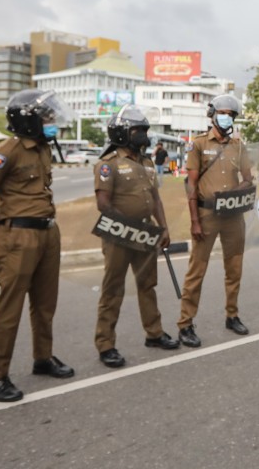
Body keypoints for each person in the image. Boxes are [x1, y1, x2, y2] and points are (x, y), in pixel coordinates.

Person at [0, 89, 75, 403]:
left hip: (47, 233)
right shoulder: (8, 151)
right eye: (47, 117)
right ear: (28, 120)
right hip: (19, 238)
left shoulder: (43, 148)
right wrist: (2, 221)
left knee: (45, 304)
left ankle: (43, 357)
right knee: (9, 308)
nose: (52, 122)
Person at [93, 106, 179, 369]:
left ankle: (154, 333)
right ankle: (106, 344)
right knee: (113, 289)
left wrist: (163, 227)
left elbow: (155, 199)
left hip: (145, 232)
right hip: (119, 234)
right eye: (136, 130)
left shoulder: (148, 163)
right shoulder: (108, 165)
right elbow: (103, 204)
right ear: (121, 133)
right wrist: (128, 227)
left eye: (144, 130)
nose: (142, 135)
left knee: (147, 284)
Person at [177, 93, 254, 347]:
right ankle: (185, 324)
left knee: (234, 270)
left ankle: (232, 315)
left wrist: (240, 188)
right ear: (212, 115)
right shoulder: (198, 144)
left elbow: (247, 177)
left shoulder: (239, 146)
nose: (226, 118)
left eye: (231, 114)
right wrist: (194, 221)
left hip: (233, 215)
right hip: (206, 215)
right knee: (196, 271)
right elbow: (191, 184)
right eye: (222, 113)